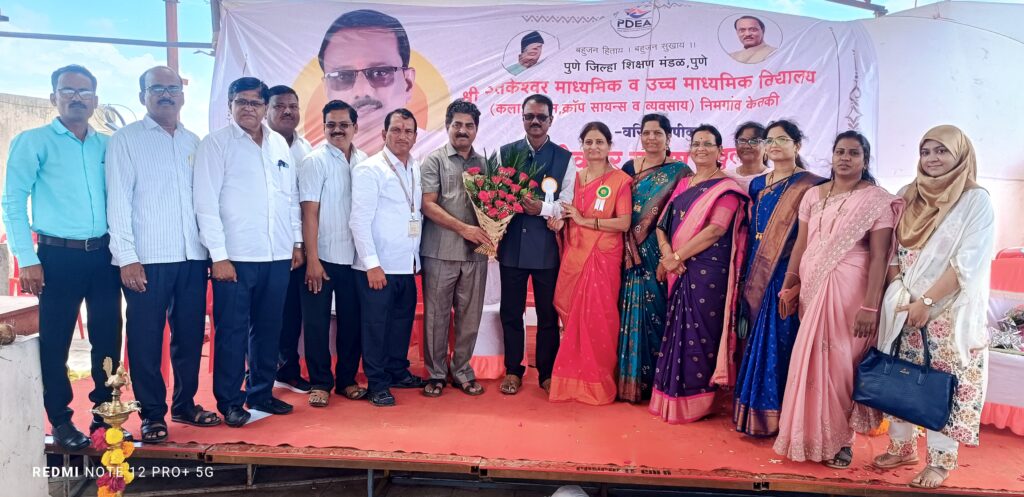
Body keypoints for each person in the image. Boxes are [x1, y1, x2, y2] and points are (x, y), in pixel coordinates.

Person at [2, 65, 122, 450]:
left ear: (95, 100)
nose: (76, 98)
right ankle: (60, 419)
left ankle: (105, 414)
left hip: (104, 255)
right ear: (53, 97)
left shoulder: (108, 145)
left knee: (108, 336)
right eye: (67, 90)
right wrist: (27, 257)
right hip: (56, 257)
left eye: (84, 92)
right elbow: (12, 201)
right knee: (56, 342)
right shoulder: (33, 141)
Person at [871, 125, 993, 489]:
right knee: (899, 373)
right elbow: (892, 248)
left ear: (961, 155)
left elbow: (967, 261)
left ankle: (939, 462)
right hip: (903, 302)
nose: (932, 158)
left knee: (941, 382)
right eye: (926, 151)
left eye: (942, 151)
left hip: (947, 310)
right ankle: (902, 447)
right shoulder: (908, 194)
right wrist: (899, 290)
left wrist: (927, 301)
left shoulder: (975, 200)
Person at [772, 131, 902, 467]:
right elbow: (801, 245)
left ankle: (842, 441)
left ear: (865, 159)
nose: (845, 158)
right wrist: (790, 284)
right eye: (840, 152)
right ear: (831, 156)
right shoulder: (813, 195)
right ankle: (808, 437)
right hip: (812, 289)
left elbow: (880, 256)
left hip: (851, 292)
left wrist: (871, 306)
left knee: (842, 367)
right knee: (810, 363)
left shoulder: (876, 199)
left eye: (853, 153)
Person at [106, 66, 219, 442]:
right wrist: (127, 257)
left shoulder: (193, 142)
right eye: (157, 88)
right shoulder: (126, 140)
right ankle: (152, 414)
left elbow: (204, 200)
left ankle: (185, 404)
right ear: (143, 96)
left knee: (190, 336)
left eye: (173, 88)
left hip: (192, 257)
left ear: (182, 96)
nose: (166, 94)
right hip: (147, 259)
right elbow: (118, 202)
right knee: (146, 340)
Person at [193, 77, 303, 427]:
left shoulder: (279, 145)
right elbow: (205, 204)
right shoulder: (216, 144)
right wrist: (219, 255)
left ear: (265, 107)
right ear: (230, 106)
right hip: (235, 258)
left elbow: (290, 199)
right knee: (232, 332)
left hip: (277, 255)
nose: (248, 108)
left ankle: (261, 393)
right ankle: (229, 401)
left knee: (269, 329)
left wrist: (296, 242)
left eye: (255, 103)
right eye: (241, 102)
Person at [648, 124, 749, 423]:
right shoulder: (684, 184)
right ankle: (670, 396)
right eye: (696, 144)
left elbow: (716, 230)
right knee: (676, 330)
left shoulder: (727, 188)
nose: (701, 149)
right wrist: (668, 255)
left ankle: (697, 401)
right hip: (678, 267)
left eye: (707, 144)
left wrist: (677, 257)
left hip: (708, 272)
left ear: (719, 151)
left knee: (701, 333)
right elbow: (662, 224)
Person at [734, 119, 825, 437]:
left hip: (787, 271)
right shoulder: (758, 184)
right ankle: (755, 411)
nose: (774, 145)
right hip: (756, 267)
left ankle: (782, 415)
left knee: (780, 340)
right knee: (755, 339)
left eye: (782, 139)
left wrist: (796, 277)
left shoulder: (813, 185)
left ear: (797, 145)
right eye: (769, 140)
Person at [547, 122, 631, 405]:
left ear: (609, 146)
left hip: (603, 256)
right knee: (572, 315)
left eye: (599, 142)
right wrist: (561, 222)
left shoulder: (620, 180)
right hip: (574, 253)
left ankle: (597, 382)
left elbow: (624, 222)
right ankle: (572, 380)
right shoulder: (574, 178)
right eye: (588, 142)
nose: (594, 147)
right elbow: (567, 214)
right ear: (581, 146)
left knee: (599, 319)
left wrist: (585, 220)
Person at [497, 94, 575, 395]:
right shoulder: (506, 153)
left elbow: (566, 204)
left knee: (547, 314)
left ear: (551, 120)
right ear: (522, 119)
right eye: (530, 116)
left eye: (541, 117)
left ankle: (547, 372)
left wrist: (541, 208)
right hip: (512, 247)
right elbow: (495, 196)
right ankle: (512, 371)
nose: (535, 121)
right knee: (511, 312)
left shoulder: (564, 158)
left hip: (546, 249)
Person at [350, 108, 428, 407]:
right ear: (384, 134)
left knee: (400, 324)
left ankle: (397, 371)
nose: (402, 136)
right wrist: (372, 264)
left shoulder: (416, 167)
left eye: (408, 131)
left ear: (415, 136)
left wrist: (416, 261)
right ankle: (377, 383)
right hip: (378, 267)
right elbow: (359, 221)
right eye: (396, 130)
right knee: (375, 327)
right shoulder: (370, 169)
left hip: (407, 265)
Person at [616, 114, 691, 403]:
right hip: (627, 251)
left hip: (659, 249)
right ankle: (628, 381)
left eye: (657, 133)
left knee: (658, 312)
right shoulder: (627, 168)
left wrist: (668, 253)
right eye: (646, 133)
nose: (651, 138)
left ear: (668, 137)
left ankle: (656, 381)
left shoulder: (680, 171)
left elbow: (681, 215)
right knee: (626, 310)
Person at [419, 100, 492, 397]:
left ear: (476, 129)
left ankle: (462, 370)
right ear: (447, 126)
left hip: (476, 253)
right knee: (436, 316)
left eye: (469, 126)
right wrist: (464, 229)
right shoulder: (434, 160)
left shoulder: (486, 165)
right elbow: (428, 205)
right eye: (457, 125)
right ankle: (436, 373)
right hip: (440, 251)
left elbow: (493, 207)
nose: (463, 130)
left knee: (470, 316)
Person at [298, 100, 368, 408]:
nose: (337, 130)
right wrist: (312, 259)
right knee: (316, 323)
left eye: (344, 124)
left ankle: (347, 380)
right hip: (322, 257)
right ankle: (320, 383)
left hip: (356, 258)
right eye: (331, 125)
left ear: (356, 127)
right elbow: (309, 213)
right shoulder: (315, 161)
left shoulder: (364, 161)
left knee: (352, 322)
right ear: (324, 127)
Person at [266, 84, 314, 396]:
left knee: (292, 312)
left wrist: (301, 244)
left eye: (293, 106)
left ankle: (287, 370)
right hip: (264, 246)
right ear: (266, 110)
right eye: (280, 106)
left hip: (299, 246)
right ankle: (258, 372)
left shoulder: (305, 148)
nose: (287, 111)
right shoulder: (259, 145)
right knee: (262, 313)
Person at [319, 9, 416, 153]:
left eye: (379, 73)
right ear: (327, 89)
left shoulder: (435, 158)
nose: (362, 90)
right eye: (342, 77)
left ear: (408, 83)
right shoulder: (312, 161)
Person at [728, 121, 770, 192]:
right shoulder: (726, 176)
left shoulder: (775, 178)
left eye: (754, 141)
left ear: (766, 146)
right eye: (742, 141)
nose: (746, 146)